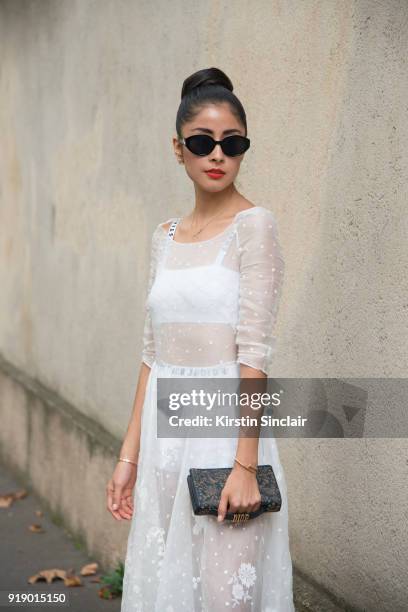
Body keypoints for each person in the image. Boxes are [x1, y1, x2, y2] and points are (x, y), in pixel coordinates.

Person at [107, 67, 295, 611]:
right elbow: (151, 354)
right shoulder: (163, 237)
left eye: (231, 144)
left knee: (223, 598)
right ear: (178, 148)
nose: (217, 155)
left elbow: (255, 355)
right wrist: (129, 456)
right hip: (164, 446)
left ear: (242, 150)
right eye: (202, 142)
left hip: (224, 442)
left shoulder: (255, 225)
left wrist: (246, 466)